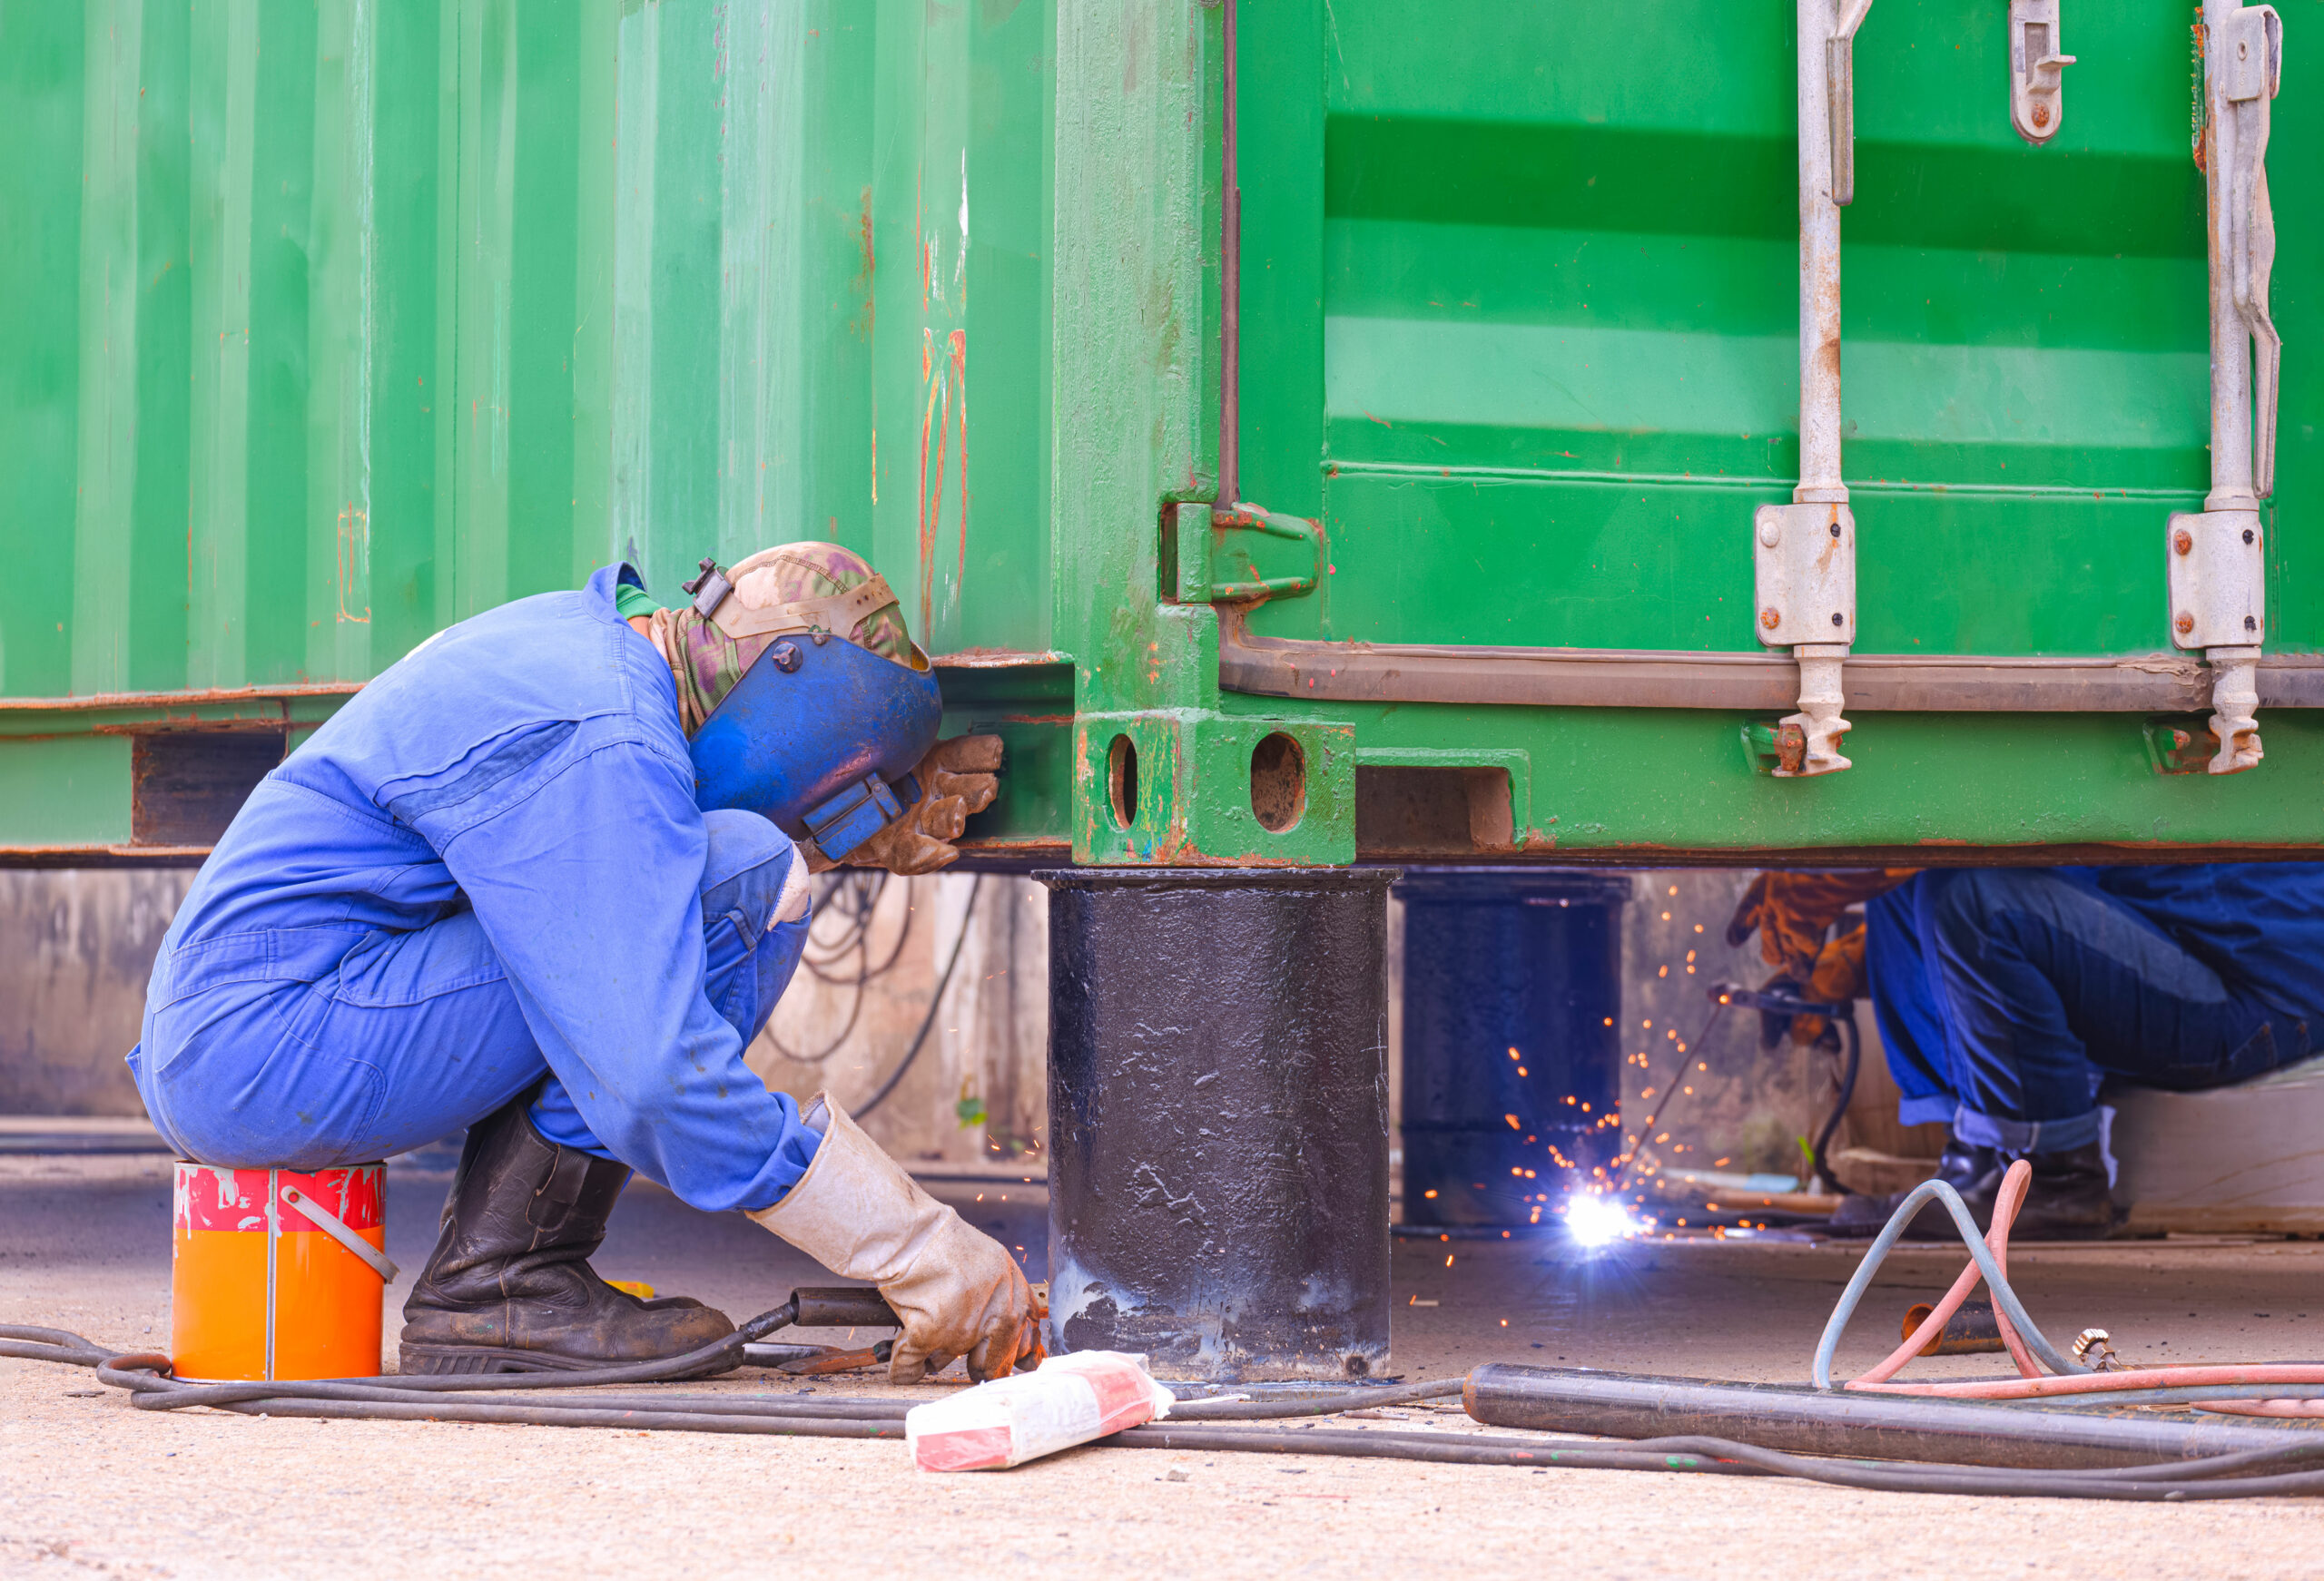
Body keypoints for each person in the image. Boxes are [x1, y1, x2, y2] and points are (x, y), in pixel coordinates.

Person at [129, 543, 1032, 1380]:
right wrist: (917, 1248)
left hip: (254, 1021)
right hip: (265, 1039)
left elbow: (572, 877)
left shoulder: (586, 648)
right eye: (825, 782)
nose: (811, 816)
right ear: (784, 683)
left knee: (734, 870)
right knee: (748, 874)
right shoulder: (605, 736)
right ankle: (504, 1285)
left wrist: (838, 831)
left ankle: (504, 1283)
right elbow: (653, 1077)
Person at [1728, 863, 2324, 1237]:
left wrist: (1840, 881)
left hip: (2263, 998)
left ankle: (2053, 1176)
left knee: (1970, 896)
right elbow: (2085, 882)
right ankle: (1974, 1165)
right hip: (2185, 947)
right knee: (1905, 874)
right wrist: (1869, 957)